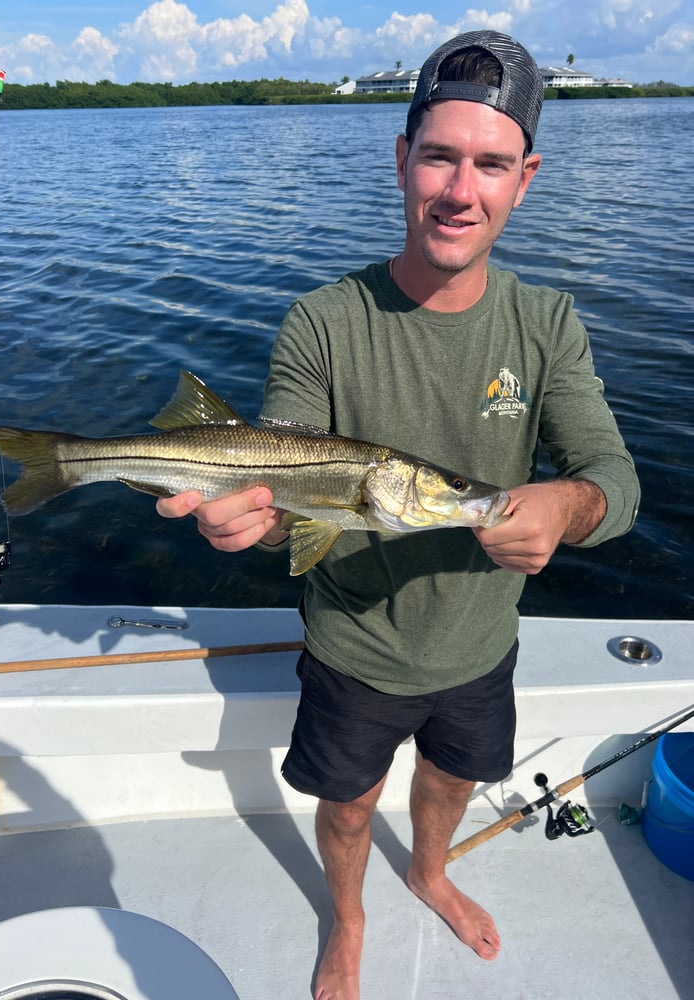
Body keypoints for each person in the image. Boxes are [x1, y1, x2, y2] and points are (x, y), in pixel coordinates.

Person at [158, 29, 640, 1000]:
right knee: (345, 808)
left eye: (492, 164)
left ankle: (428, 867)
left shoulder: (547, 324)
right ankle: (348, 915)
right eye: (440, 156)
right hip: (351, 649)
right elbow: (286, 444)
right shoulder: (321, 321)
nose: (461, 190)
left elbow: (615, 484)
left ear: (525, 178)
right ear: (402, 159)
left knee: (450, 785)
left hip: (479, 645)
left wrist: (567, 502)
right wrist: (244, 503)